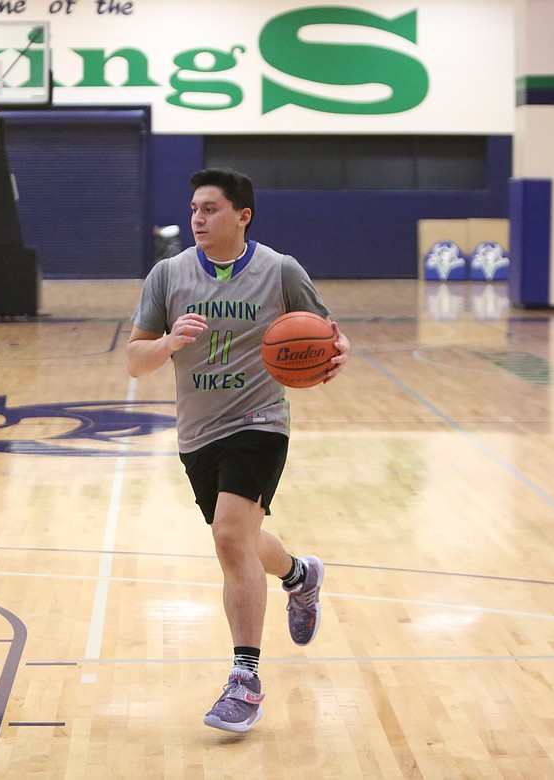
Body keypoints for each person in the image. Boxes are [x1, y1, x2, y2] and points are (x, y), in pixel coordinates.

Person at [126, 168, 351, 733]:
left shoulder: (279, 270)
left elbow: (329, 333)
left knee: (229, 536)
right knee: (242, 537)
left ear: (242, 215)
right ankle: (300, 575)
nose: (197, 219)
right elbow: (135, 359)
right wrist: (168, 343)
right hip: (198, 431)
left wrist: (335, 353)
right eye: (194, 209)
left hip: (261, 420)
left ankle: (244, 680)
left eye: (210, 209)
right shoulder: (167, 275)